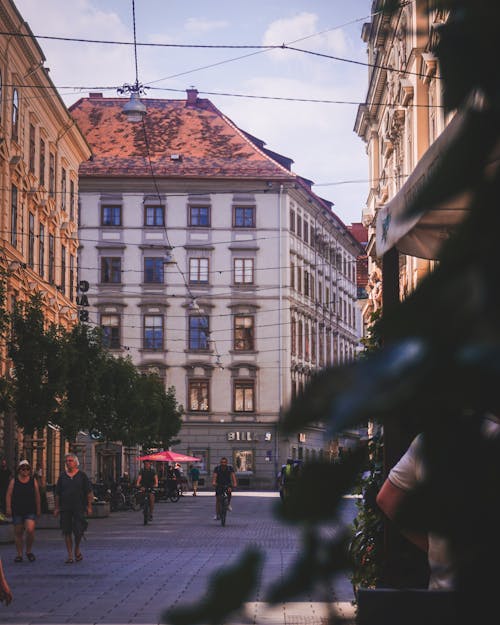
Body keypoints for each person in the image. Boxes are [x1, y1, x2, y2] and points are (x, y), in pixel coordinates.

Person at [54, 453, 93, 564]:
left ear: (76, 463)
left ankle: (77, 548)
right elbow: (57, 493)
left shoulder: (82, 476)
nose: (68, 463)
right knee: (66, 531)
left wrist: (89, 507)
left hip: (79, 507)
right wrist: (56, 508)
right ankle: (70, 555)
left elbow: (89, 492)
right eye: (67, 461)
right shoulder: (62, 476)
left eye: (70, 461)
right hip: (65, 507)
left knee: (78, 530)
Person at [5, 459, 41, 563]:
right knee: (18, 532)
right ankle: (19, 554)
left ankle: (28, 551)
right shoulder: (14, 481)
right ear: (19, 470)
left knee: (30, 530)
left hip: (30, 509)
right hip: (17, 509)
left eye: (27, 469)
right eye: (23, 469)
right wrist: (8, 507)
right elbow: (9, 494)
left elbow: (37, 495)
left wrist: (38, 509)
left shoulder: (32, 480)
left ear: (29, 470)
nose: (25, 471)